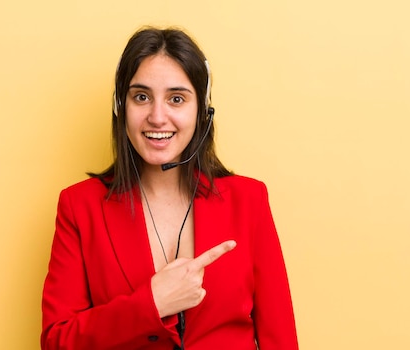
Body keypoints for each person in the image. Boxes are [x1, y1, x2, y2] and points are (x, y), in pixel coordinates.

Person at [41, 27, 298, 350]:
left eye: (176, 99)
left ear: (202, 110)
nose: (157, 117)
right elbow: (57, 341)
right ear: (121, 107)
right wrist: (151, 303)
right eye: (141, 97)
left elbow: (281, 340)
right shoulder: (79, 206)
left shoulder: (249, 200)